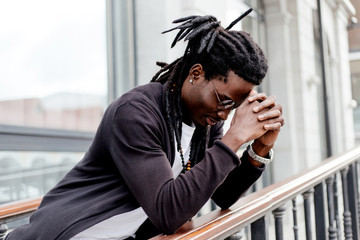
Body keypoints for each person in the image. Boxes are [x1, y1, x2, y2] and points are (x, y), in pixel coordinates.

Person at [5, 9, 284, 240]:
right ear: (196, 74)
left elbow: (221, 195)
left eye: (233, 106)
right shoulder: (135, 113)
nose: (225, 115)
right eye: (223, 100)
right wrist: (234, 139)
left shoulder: (205, 122)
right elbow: (168, 212)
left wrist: (259, 149)